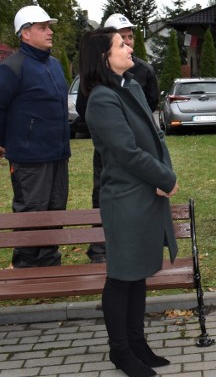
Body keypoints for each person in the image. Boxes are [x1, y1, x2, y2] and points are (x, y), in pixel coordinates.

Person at [78, 27, 178, 376]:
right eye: (121, 44)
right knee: (122, 277)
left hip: (146, 194)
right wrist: (164, 178)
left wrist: (163, 173)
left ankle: (137, 343)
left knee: (138, 275)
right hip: (125, 199)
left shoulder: (129, 86)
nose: (128, 47)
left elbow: (155, 138)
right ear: (104, 58)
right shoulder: (103, 98)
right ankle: (120, 352)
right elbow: (126, 152)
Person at [0, 5, 70, 268]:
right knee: (32, 210)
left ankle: (49, 260)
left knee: (55, 209)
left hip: (58, 154)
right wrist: (14, 141)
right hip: (29, 158)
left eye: (48, 26)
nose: (49, 31)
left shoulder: (54, 65)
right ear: (25, 33)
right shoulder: (11, 68)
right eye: (43, 27)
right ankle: (25, 264)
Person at [76, 13, 159, 264]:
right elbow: (83, 106)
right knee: (103, 193)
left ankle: (134, 245)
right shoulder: (94, 81)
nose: (127, 44)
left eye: (129, 38)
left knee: (138, 194)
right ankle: (101, 249)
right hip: (108, 150)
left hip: (137, 149)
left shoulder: (142, 70)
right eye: (120, 40)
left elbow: (150, 104)